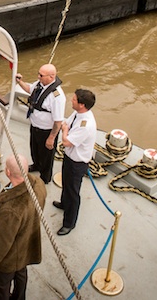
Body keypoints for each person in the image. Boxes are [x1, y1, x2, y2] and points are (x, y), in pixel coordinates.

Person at [0, 155, 46, 300]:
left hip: (10, 257)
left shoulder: (10, 210)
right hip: (27, 244)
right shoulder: (39, 184)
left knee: (2, 287)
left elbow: (1, 241)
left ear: (8, 173)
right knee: (21, 274)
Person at [53, 89, 97, 236]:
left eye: (74, 99)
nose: (71, 100)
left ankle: (69, 223)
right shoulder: (77, 114)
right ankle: (64, 203)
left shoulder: (86, 124)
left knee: (73, 192)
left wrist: (65, 130)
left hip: (77, 163)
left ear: (82, 104)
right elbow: (67, 123)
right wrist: (66, 127)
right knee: (66, 183)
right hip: (69, 158)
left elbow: (66, 142)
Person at [15, 64, 65, 184]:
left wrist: (51, 138)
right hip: (35, 126)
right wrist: (20, 82)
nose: (38, 77)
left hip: (46, 131)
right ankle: (37, 165)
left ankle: (45, 177)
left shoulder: (57, 96)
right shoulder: (39, 84)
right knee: (35, 149)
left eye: (41, 75)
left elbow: (58, 121)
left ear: (51, 76)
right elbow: (29, 89)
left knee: (46, 156)